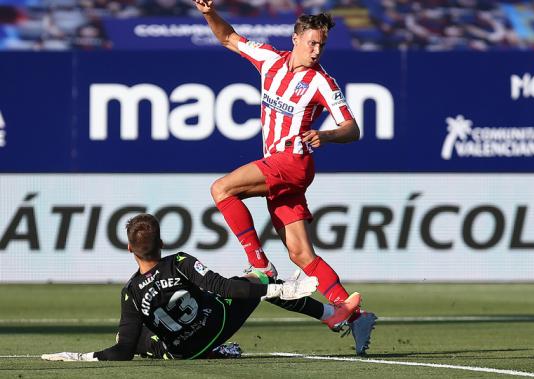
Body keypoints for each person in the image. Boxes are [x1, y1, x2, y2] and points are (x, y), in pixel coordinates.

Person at [195, 1, 377, 355]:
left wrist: (325, 136)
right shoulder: (268, 59)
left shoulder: (322, 82)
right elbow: (228, 38)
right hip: (281, 167)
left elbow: (352, 128)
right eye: (311, 43)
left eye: (321, 44)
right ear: (295, 39)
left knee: (222, 188)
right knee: (301, 254)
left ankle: (259, 263)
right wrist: (208, 14)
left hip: (292, 163)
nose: (316, 50)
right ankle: (352, 314)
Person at [41, 213, 360, 361]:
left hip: (184, 352)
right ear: (161, 244)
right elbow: (223, 287)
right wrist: (274, 289)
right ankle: (330, 314)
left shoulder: (130, 293)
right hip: (218, 324)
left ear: (129, 249)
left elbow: (122, 352)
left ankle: (191, 352)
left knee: (136, 339)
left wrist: (80, 356)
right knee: (254, 281)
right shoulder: (178, 261)